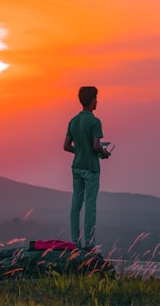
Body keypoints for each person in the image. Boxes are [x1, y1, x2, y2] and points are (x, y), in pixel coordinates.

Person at [63, 86, 111, 249]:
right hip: (91, 168)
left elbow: (66, 146)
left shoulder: (73, 121)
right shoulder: (94, 121)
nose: (97, 101)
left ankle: (75, 242)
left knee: (75, 205)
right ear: (92, 101)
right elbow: (96, 146)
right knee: (90, 205)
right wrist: (104, 153)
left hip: (76, 167)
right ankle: (89, 243)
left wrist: (81, 150)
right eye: (96, 98)